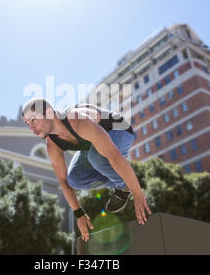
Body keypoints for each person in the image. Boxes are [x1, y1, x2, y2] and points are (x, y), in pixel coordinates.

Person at [21, 98, 151, 242]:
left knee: (96, 158)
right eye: (28, 123)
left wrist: (138, 193)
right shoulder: (52, 144)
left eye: (33, 120)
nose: (31, 127)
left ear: (49, 112)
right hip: (93, 145)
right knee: (74, 179)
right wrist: (79, 213)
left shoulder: (76, 120)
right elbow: (64, 181)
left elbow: (113, 155)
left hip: (119, 130)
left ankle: (125, 185)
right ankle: (123, 183)